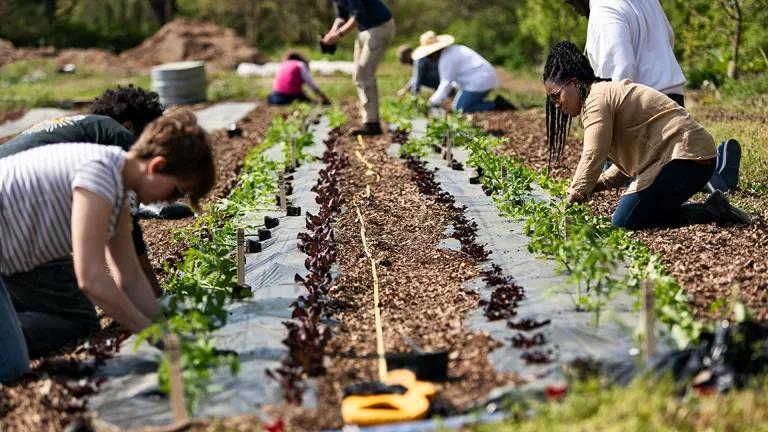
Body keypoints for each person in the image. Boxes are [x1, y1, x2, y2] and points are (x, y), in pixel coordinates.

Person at [0, 110, 215, 383]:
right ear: (157, 166)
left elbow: (130, 278)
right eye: (176, 191)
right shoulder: (100, 174)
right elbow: (91, 280)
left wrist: (166, 329)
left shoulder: (119, 191)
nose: (171, 200)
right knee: (11, 370)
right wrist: (155, 336)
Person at [543, 41, 749, 230]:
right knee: (635, 215)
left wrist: (572, 198)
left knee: (625, 222)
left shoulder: (596, 100)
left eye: (556, 96)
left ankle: (710, 212)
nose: (557, 104)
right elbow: (627, 163)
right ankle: (715, 209)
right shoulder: (602, 95)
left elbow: (593, 154)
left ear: (574, 82)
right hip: (691, 158)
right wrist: (597, 185)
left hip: (685, 160)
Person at [0, 85, 167, 299]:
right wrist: (158, 297)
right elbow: (128, 235)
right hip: (13, 219)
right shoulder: (121, 142)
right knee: (76, 318)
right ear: (129, 127)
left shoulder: (84, 128)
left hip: (16, 212)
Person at [564, 0, 741, 193]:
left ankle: (716, 178)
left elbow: (619, 68)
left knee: (653, 172)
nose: (572, 7)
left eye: (570, 1)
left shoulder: (603, 10)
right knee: (671, 158)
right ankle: (715, 166)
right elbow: (669, 36)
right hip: (669, 94)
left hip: (643, 105)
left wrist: (612, 120)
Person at [322, 0, 395, 135]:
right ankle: (368, 120)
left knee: (365, 73)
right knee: (358, 75)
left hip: (380, 27)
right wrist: (331, 33)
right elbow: (341, 17)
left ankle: (372, 123)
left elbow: (358, 15)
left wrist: (339, 35)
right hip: (364, 30)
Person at [411, 31, 515, 113]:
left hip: (481, 80)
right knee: (462, 102)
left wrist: (432, 102)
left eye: (429, 55)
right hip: (484, 77)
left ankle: (495, 104)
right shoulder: (452, 51)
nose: (428, 58)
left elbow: (446, 83)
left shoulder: (446, 58)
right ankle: (482, 102)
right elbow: (453, 80)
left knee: (460, 108)